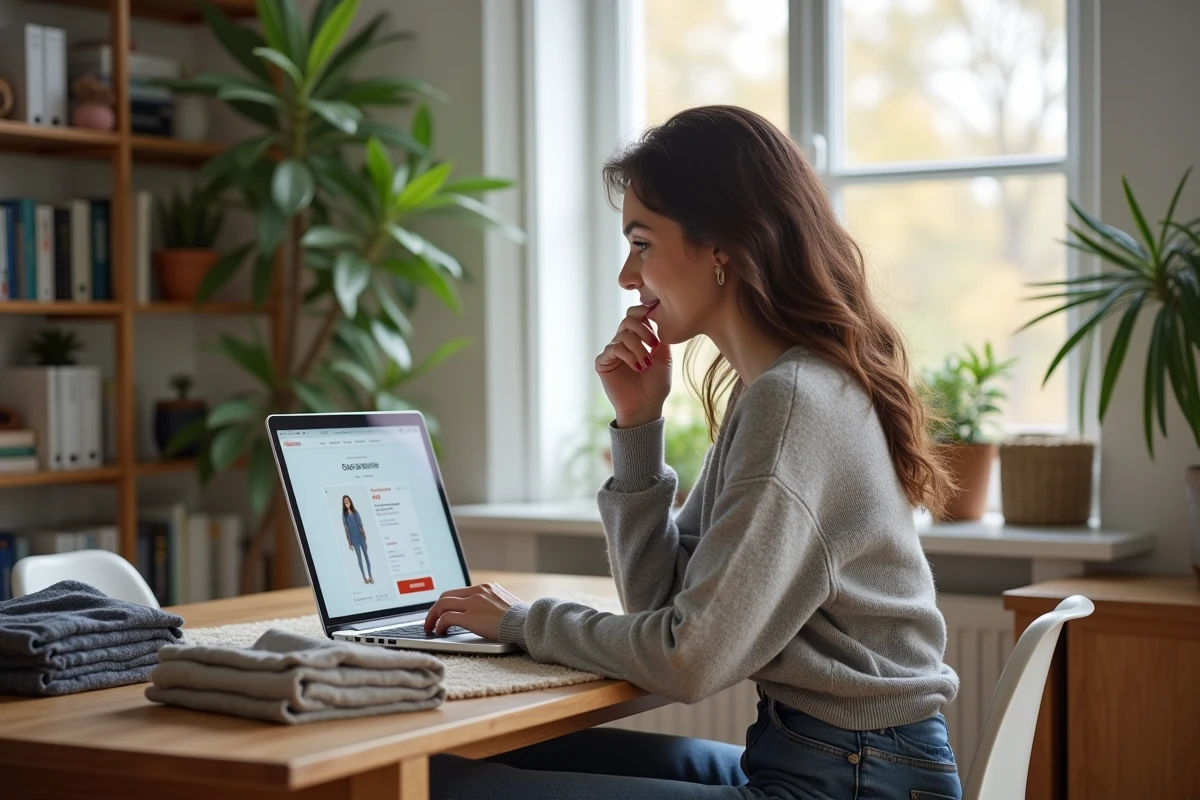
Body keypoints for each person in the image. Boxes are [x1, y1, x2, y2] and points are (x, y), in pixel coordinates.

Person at [424, 105, 962, 800]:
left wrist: (523, 623)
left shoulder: (791, 401)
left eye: (641, 243)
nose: (626, 275)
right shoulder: (773, 390)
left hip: (853, 778)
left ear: (722, 250)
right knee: (471, 770)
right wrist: (639, 424)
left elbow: (687, 659)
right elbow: (661, 604)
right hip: (830, 761)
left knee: (452, 790)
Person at [341, 495, 373, 585]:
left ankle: (370, 576)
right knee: (359, 558)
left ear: (350, 501)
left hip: (361, 538)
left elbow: (360, 525)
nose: (346, 502)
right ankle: (364, 578)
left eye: (347, 500)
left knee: (366, 556)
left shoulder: (356, 512)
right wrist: (349, 542)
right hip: (354, 540)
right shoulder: (344, 515)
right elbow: (346, 530)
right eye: (345, 501)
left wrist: (365, 538)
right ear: (344, 503)